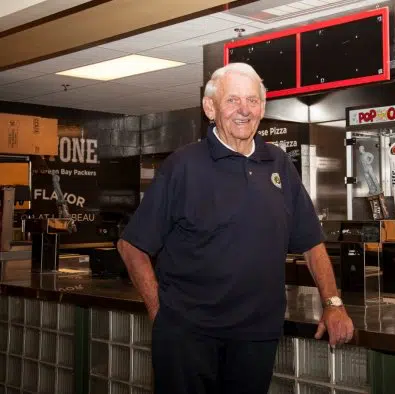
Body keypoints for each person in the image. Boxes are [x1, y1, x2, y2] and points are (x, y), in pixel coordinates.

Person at [117, 62, 354, 394]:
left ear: (262, 108)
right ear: (210, 108)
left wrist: (333, 303)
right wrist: (162, 317)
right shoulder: (183, 166)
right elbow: (131, 246)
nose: (244, 110)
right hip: (188, 338)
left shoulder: (278, 164)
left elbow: (312, 243)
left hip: (256, 337)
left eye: (252, 100)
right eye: (232, 100)